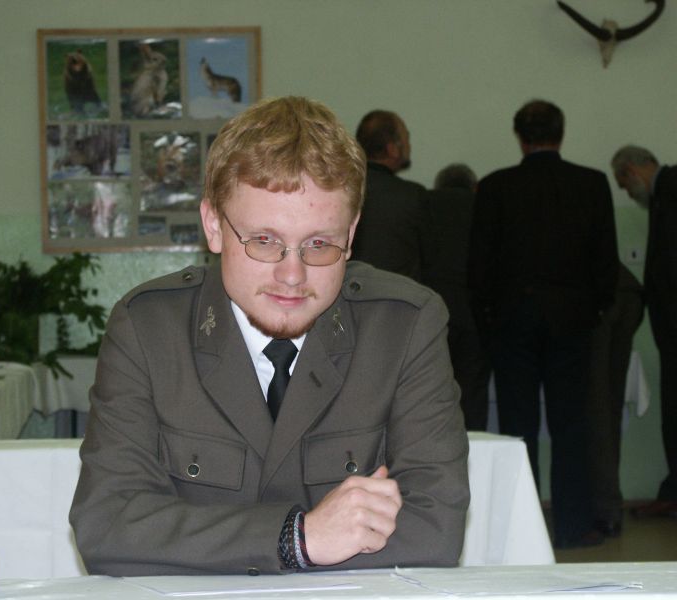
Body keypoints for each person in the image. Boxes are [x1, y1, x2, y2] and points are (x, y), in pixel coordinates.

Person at [70, 96, 470, 576]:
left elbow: (434, 530)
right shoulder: (150, 330)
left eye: (319, 244)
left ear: (351, 234)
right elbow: (107, 524)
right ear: (213, 226)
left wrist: (204, 543)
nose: (292, 275)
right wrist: (296, 539)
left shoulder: (402, 327)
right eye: (264, 241)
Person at [468, 100, 618, 548]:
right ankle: (573, 526)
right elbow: (605, 261)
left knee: (518, 427)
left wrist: (489, 320)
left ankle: (520, 530)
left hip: (512, 320)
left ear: (520, 137)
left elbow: (479, 265)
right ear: (561, 133)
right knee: (571, 425)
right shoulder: (591, 183)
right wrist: (594, 310)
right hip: (571, 319)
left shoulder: (495, 187)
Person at [611, 145, 677, 519]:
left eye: (623, 183)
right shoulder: (666, 192)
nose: (626, 192)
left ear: (633, 170)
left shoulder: (672, 187)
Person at [421, 164, 491, 430]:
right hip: (474, 312)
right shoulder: (483, 206)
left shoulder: (425, 203)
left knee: (429, 388)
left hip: (433, 310)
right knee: (473, 393)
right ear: (474, 186)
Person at [586, 262, 644, 536]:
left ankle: (605, 508)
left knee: (597, 406)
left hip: (598, 295)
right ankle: (608, 507)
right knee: (609, 407)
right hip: (628, 290)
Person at [350, 110, 428, 280]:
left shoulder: (343, 190)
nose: (409, 146)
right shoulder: (414, 196)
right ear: (392, 149)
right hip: (398, 293)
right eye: (407, 139)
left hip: (346, 290)